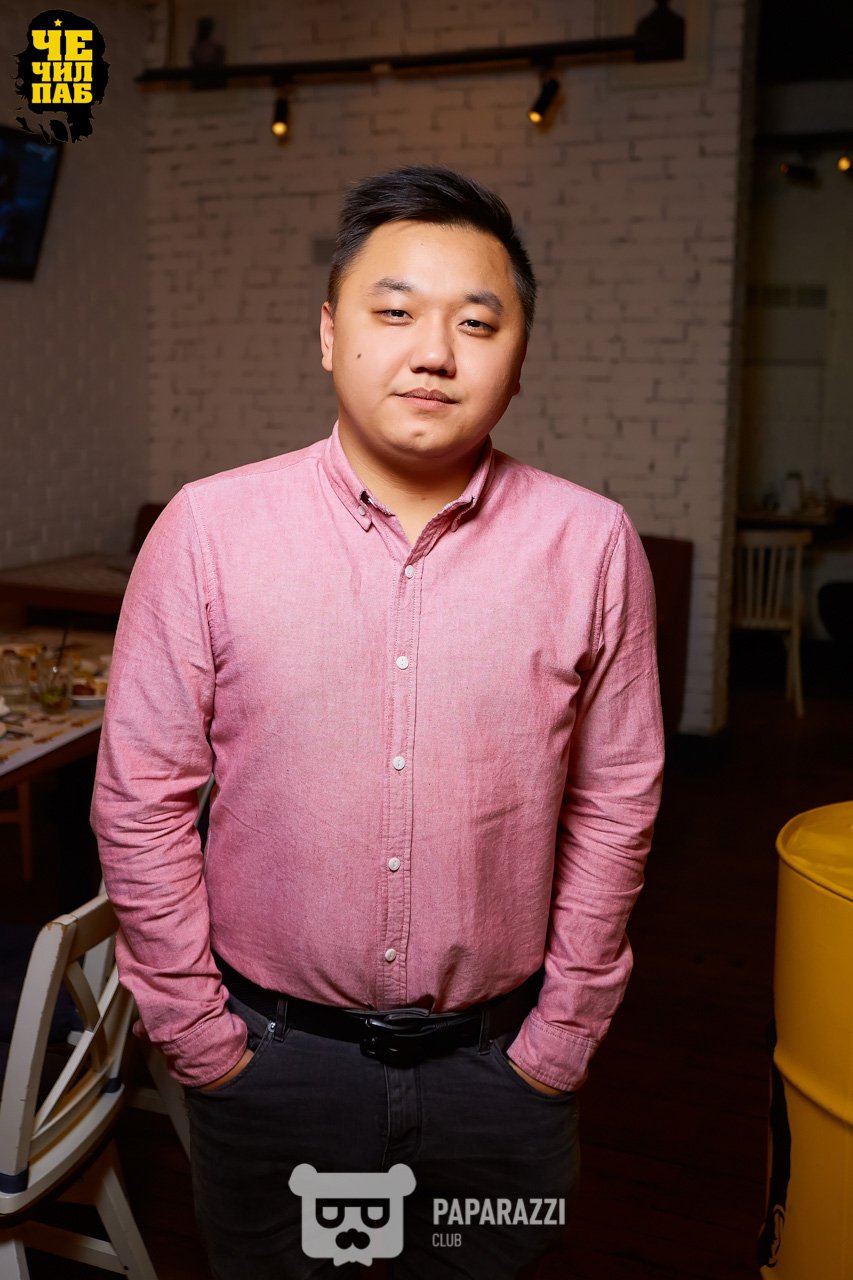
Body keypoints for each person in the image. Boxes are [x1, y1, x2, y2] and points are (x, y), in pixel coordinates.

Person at [92, 164, 665, 1279]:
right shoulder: (207, 531)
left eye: (476, 322)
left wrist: (561, 1035)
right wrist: (200, 1039)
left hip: (500, 1068)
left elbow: (617, 799)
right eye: (393, 311)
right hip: (271, 1062)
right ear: (328, 333)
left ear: (518, 356)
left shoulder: (592, 544)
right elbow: (140, 802)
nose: (433, 351)